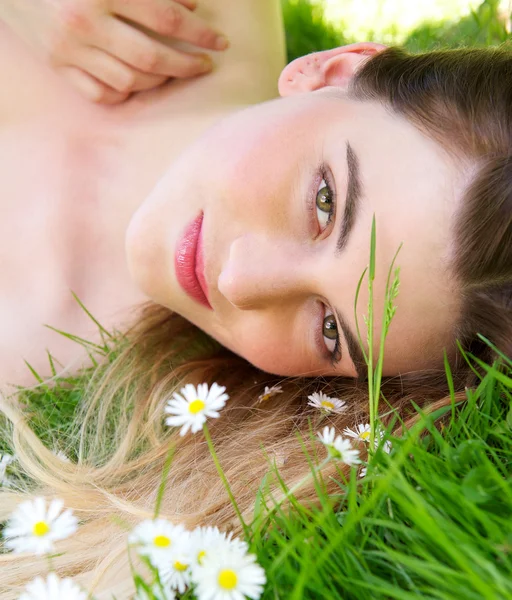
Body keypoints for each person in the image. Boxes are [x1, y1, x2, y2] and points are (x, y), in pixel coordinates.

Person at [0, 0, 511, 597]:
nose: (241, 281)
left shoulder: (34, 359)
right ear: (334, 73)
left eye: (328, 330)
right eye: (324, 203)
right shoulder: (202, 14)